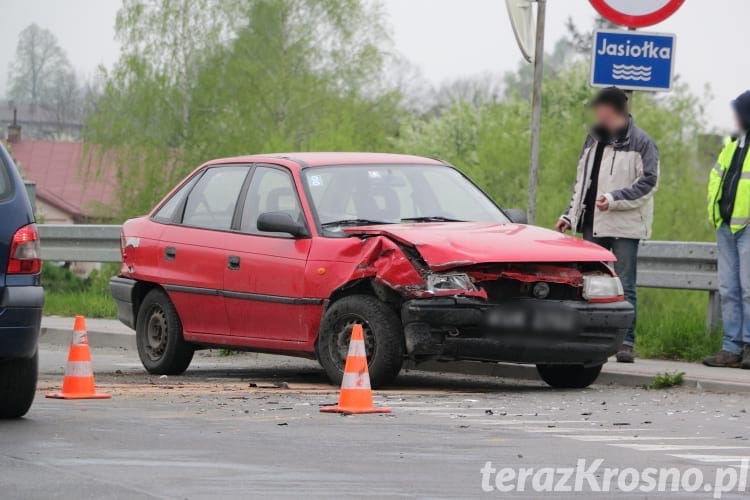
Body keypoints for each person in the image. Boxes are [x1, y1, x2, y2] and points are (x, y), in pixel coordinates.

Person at [555, 87, 659, 363]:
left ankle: (626, 343)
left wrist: (614, 199)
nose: (595, 112)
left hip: (624, 226)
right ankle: (590, 340)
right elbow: (582, 184)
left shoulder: (642, 142)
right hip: (592, 224)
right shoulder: (592, 139)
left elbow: (648, 183)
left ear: (609, 109)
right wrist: (569, 214)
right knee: (589, 284)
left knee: (625, 285)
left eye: (598, 107)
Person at [703, 91, 750, 369]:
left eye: (738, 112)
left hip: (747, 227)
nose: (734, 118)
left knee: (749, 290)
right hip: (726, 226)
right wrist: (714, 211)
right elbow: (715, 179)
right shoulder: (732, 144)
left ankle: (748, 346)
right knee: (729, 289)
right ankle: (731, 348)